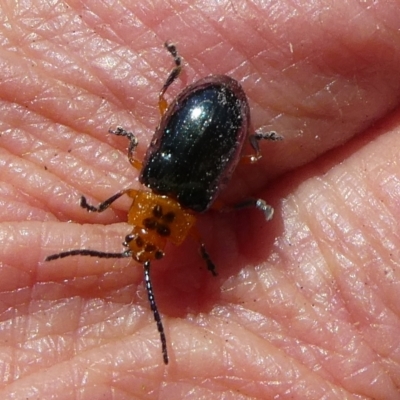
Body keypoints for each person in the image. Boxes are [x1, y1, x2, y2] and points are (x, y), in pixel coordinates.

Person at [0, 1, 399, 398]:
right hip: (220, 115)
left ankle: (202, 91)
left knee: (230, 156)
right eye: (151, 248)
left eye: (134, 239)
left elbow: (193, 225)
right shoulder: (155, 183)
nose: (145, 244)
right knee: (236, 154)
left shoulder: (180, 197)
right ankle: (241, 129)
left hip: (208, 104)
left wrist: (200, 250)